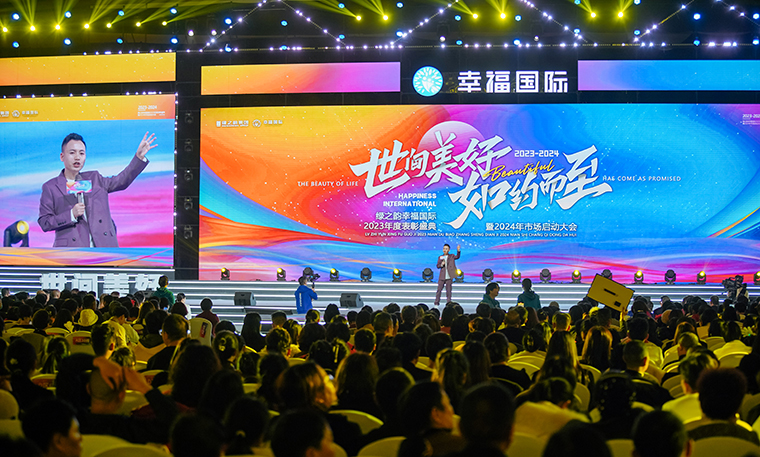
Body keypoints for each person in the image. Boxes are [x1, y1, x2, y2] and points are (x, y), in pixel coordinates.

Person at [38, 132, 156, 247]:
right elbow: (45, 222)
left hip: (103, 248)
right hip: (72, 252)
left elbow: (121, 181)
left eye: (81, 153)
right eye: (72, 153)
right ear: (62, 157)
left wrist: (139, 157)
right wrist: (71, 214)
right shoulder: (51, 187)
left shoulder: (94, 179)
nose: (77, 157)